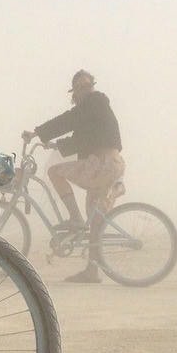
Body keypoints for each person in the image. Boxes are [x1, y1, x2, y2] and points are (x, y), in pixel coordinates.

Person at [23, 69, 125, 284]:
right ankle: (92, 271)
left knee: (54, 172)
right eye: (80, 87)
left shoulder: (96, 102)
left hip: (102, 164)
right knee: (97, 221)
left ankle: (76, 218)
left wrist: (37, 133)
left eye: (87, 86)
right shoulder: (90, 112)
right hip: (107, 165)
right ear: (74, 91)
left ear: (92, 87)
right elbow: (83, 137)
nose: (84, 90)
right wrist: (55, 144)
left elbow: (69, 120)